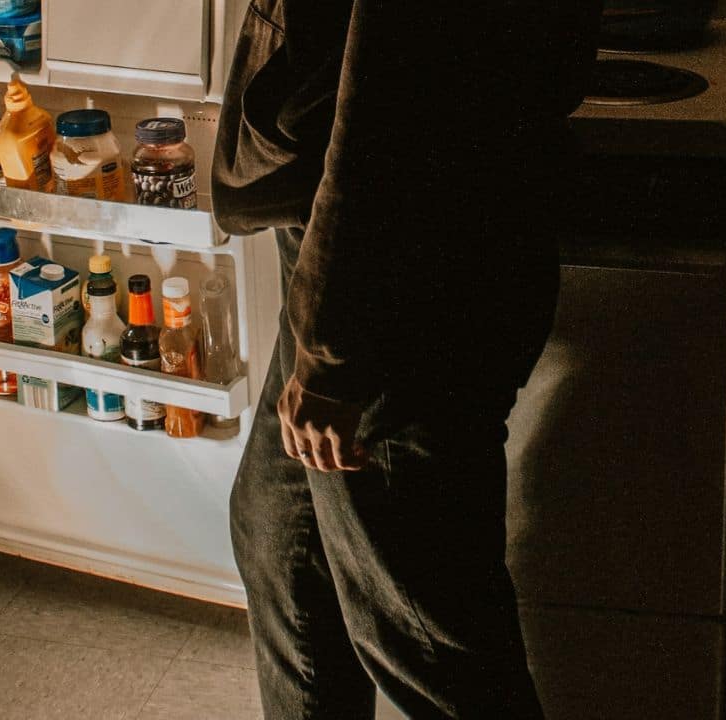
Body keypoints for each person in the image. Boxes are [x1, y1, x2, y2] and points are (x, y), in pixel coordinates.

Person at [212, 2, 601, 717]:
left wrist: (334, 358)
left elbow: (390, 116)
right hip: (384, 255)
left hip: (399, 275)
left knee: (422, 630)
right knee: (277, 537)